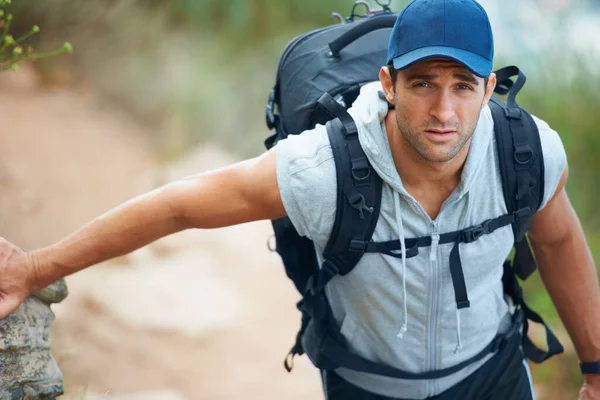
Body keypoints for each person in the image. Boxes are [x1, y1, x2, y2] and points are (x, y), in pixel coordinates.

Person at [0, 0, 598, 398]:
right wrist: (33, 269)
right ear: (387, 84)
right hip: (368, 387)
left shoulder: (524, 154)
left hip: (491, 376)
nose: (444, 111)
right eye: (422, 84)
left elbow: (561, 239)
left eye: (463, 87)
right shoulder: (323, 171)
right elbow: (177, 206)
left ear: (490, 87)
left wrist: (594, 368)